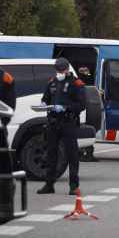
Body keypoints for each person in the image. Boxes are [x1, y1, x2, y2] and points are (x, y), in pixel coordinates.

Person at [37, 57, 86, 195]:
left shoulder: (76, 83)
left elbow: (81, 105)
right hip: (53, 122)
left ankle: (74, 186)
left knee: (72, 155)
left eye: (62, 70)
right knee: (51, 154)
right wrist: (43, 104)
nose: (59, 72)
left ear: (67, 69)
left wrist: (65, 108)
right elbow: (45, 98)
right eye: (57, 70)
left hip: (68, 122)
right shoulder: (52, 82)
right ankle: (49, 184)